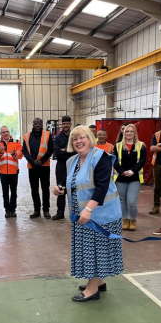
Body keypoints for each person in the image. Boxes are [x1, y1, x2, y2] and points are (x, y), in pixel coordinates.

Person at [53, 125, 123, 302]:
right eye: (75, 139)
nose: (78, 141)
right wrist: (60, 188)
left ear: (90, 138)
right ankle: (98, 281)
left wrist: (89, 209)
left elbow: (102, 187)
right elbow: (68, 181)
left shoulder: (101, 158)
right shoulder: (73, 161)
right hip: (82, 216)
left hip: (101, 216)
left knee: (95, 251)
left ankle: (92, 290)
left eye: (82, 137)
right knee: (91, 251)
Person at [113, 124, 147, 231]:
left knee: (132, 202)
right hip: (121, 178)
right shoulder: (118, 146)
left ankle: (133, 220)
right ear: (124, 133)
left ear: (134, 133)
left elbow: (142, 161)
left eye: (131, 131)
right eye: (127, 131)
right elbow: (114, 160)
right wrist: (122, 171)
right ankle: (125, 219)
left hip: (134, 178)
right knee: (122, 201)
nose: (129, 133)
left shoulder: (141, 145)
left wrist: (133, 171)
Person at [22, 117, 53, 218]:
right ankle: (36, 210)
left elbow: (50, 150)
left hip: (44, 166)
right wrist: (32, 161)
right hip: (32, 167)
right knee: (34, 189)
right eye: (36, 124)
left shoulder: (48, 135)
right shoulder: (27, 136)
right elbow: (25, 151)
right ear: (33, 125)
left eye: (39, 124)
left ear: (42, 125)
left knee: (45, 189)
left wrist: (41, 161)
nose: (38, 126)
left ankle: (46, 210)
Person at [0, 126, 23, 218]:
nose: (5, 133)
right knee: (5, 192)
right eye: (3, 132)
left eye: (7, 132)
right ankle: (7, 210)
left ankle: (13, 209)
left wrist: (14, 154)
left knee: (14, 192)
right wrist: (0, 153)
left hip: (14, 172)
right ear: (0, 134)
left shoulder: (16, 142)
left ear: (9, 133)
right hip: (3, 173)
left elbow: (20, 155)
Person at [52, 115, 75, 220]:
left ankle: (75, 213)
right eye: (64, 123)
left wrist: (64, 150)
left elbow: (77, 152)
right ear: (61, 125)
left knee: (74, 189)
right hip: (61, 166)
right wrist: (69, 151)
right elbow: (57, 153)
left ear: (70, 124)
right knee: (61, 188)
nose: (65, 125)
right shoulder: (57, 138)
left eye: (67, 123)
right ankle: (60, 212)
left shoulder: (75, 137)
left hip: (74, 165)